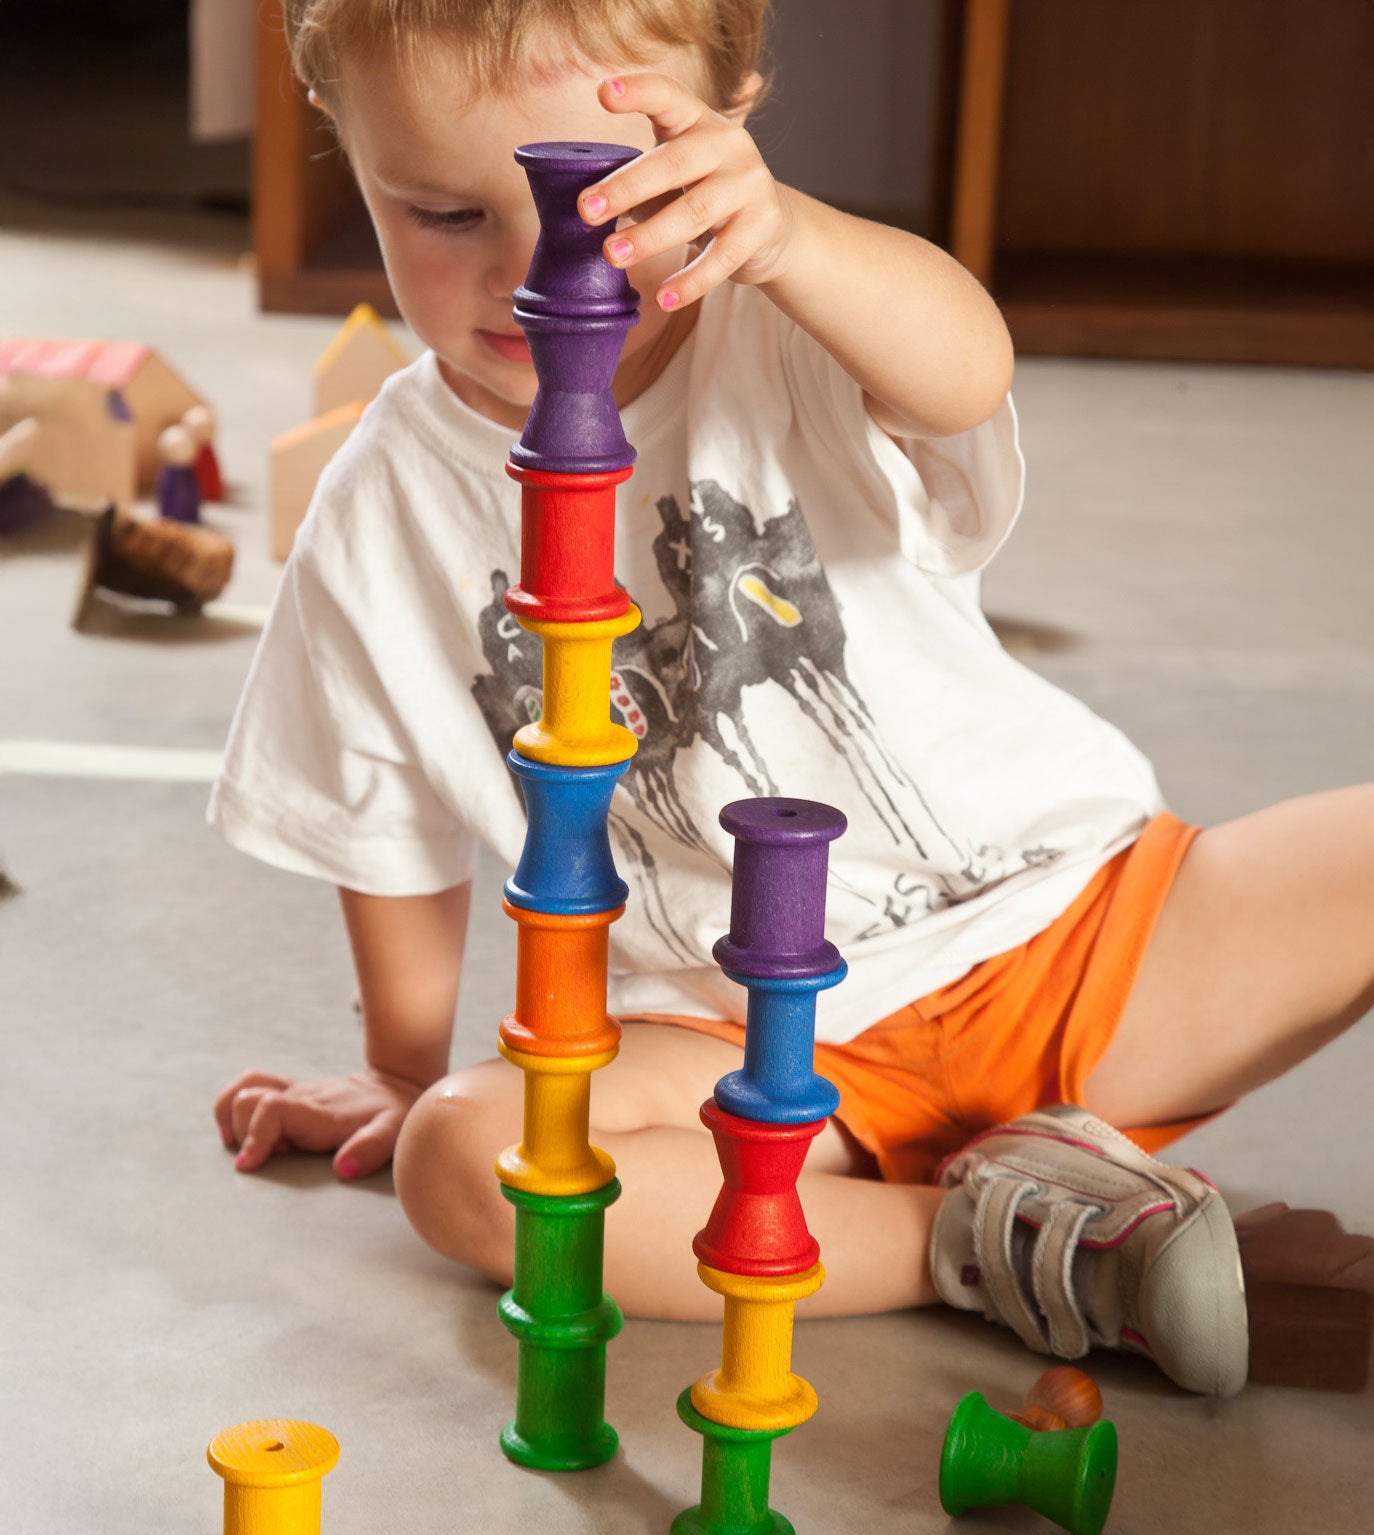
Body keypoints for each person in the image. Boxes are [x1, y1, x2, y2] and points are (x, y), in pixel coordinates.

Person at [210, 0, 1373, 1398]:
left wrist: (797, 242)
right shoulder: (378, 507)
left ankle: (1045, 1194)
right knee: (473, 1167)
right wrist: (402, 1079)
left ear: (722, 135)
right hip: (737, 1056)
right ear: (354, 151)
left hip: (1080, 933)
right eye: (448, 215)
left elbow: (964, 370)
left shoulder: (789, 332)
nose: (536, 274)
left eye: (605, 207)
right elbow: (378, 813)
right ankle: (1005, 1241)